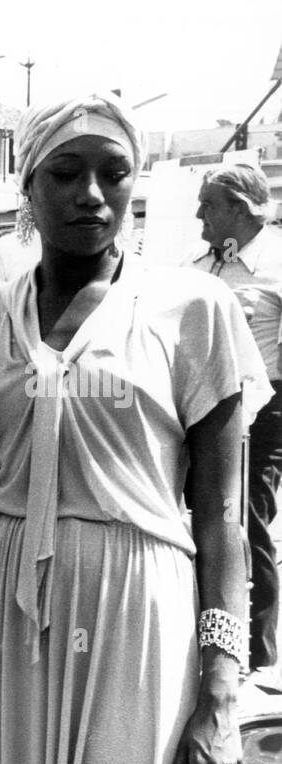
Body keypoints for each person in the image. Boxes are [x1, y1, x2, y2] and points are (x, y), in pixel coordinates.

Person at [0, 93, 267, 764]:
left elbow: (222, 519)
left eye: (114, 173)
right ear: (28, 187)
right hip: (5, 619)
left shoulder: (194, 308)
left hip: (138, 621)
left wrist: (221, 685)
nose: (92, 194)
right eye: (65, 173)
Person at [190, 164, 282, 689]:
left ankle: (258, 650)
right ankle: (209, 635)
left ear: (242, 210)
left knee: (246, 518)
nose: (199, 214)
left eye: (209, 204)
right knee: (201, 518)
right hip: (202, 406)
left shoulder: (275, 263)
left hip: (263, 407)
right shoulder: (196, 265)